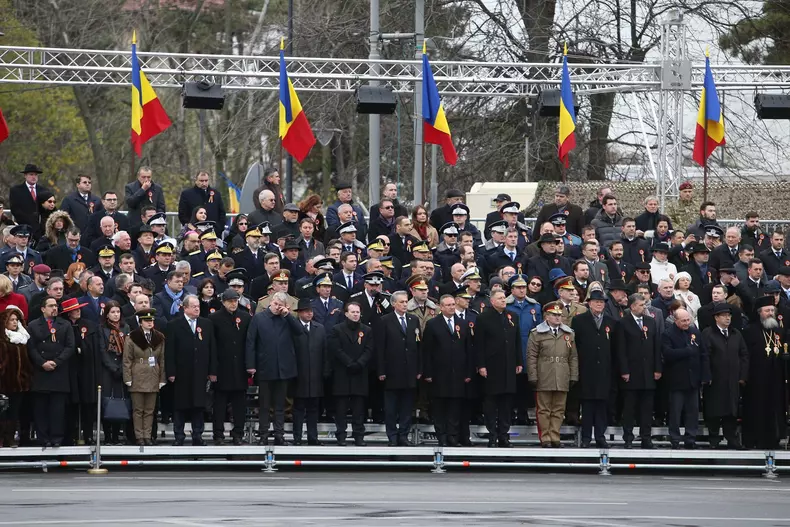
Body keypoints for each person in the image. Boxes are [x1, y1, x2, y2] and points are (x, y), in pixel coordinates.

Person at [246, 291, 304, 445]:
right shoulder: (259, 318)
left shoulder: (287, 319)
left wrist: (288, 315)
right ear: (271, 302)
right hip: (265, 367)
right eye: (275, 304)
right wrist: (251, 365)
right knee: (264, 405)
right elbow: (251, 342)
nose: (277, 307)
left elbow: (300, 332)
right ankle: (263, 435)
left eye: (281, 305)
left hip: (283, 369)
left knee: (280, 405)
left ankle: (279, 435)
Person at [165, 295, 217, 446]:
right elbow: (170, 352)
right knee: (180, 405)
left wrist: (212, 371)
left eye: (198, 306)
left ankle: (197, 435)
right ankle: (179, 436)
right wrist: (171, 372)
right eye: (193, 306)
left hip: (200, 371)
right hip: (182, 372)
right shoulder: (174, 325)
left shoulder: (206, 324)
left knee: (198, 405)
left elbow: (212, 348)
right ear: (185, 308)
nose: (196, 309)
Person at [475, 290, 522, 447]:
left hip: (509, 367)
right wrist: (480, 365)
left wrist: (519, 362)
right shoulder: (483, 318)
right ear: (492, 301)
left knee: (506, 403)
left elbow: (516, 341)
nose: (503, 300)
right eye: (500, 298)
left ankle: (504, 434)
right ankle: (492, 434)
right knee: (491, 403)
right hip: (491, 367)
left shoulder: (512, 316)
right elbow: (479, 344)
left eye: (504, 298)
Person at [527, 301, 577, 448]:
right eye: (554, 315)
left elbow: (573, 356)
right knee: (544, 409)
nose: (558, 318)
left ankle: (555, 436)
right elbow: (531, 356)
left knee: (559, 409)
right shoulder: (537, 333)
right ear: (546, 316)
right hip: (544, 374)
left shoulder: (568, 333)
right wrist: (533, 375)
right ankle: (545, 438)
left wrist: (574, 375)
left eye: (559, 315)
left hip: (562, 374)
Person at [615, 293, 662, 448]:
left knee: (647, 409)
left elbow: (656, 347)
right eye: (641, 305)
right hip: (631, 373)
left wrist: (657, 368)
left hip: (648, 373)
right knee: (629, 408)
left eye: (645, 304)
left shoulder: (651, 321)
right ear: (632, 306)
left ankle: (646, 438)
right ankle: (628, 438)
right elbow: (620, 349)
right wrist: (624, 370)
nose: (644, 307)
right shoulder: (623, 323)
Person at [375, 290, 422, 446]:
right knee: (390, 408)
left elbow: (418, 346)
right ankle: (392, 437)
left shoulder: (413, 320)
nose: (404, 304)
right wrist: (381, 371)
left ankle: (404, 435)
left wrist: (419, 369)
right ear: (394, 303)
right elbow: (380, 348)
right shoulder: (385, 320)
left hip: (409, 371)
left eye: (405, 301)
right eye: (401, 302)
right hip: (392, 371)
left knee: (407, 406)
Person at [28, 295, 75, 447]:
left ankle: (57, 438)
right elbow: (31, 348)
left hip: (58, 371)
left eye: (56, 305)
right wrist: (42, 363)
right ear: (43, 309)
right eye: (51, 306)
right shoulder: (33, 325)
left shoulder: (65, 325)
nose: (54, 308)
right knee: (41, 409)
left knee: (58, 409)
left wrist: (56, 361)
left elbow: (70, 346)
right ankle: (43, 437)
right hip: (41, 372)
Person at [742, 296, 789, 449]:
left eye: (772, 310)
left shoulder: (779, 331)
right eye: (767, 310)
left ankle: (773, 439)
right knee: (757, 408)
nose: (770, 313)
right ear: (759, 312)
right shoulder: (750, 330)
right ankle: (754, 440)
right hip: (756, 378)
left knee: (775, 408)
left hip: (775, 377)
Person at [700, 303, 748, 450]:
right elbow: (704, 356)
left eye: (729, 315)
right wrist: (706, 375)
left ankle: (732, 438)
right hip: (715, 379)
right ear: (716, 317)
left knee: (731, 411)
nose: (727, 318)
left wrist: (743, 376)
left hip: (733, 379)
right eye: (724, 316)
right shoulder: (708, 333)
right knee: (714, 410)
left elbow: (744, 355)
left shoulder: (736, 333)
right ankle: (714, 439)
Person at [662, 308, 710, 449]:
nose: (686, 323)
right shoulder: (668, 334)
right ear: (675, 320)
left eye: (688, 320)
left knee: (693, 411)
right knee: (676, 412)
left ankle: (691, 439)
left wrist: (705, 375)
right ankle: (675, 439)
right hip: (676, 380)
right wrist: (686, 352)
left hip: (693, 379)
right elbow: (667, 353)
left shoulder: (695, 332)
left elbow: (703, 354)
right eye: (683, 321)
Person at [326, 302, 373, 446]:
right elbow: (336, 349)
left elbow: (369, 349)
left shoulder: (367, 330)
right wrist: (349, 363)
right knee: (341, 408)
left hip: (360, 372)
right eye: (352, 312)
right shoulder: (337, 329)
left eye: (358, 312)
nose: (355, 314)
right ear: (346, 313)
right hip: (342, 373)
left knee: (359, 408)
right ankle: (341, 435)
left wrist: (359, 363)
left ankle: (359, 435)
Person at [571, 290, 614, 448]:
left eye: (602, 302)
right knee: (587, 405)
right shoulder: (579, 320)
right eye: (596, 301)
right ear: (589, 303)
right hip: (586, 369)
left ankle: (600, 437)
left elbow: (614, 348)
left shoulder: (610, 322)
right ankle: (586, 437)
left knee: (602, 405)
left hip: (604, 369)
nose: (599, 304)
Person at [208, 289, 251, 446]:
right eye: (230, 301)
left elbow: (249, 343)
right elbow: (211, 346)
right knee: (219, 403)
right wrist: (212, 370)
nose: (233, 304)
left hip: (239, 367)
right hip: (222, 367)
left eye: (235, 300)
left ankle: (238, 433)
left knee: (240, 403)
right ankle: (218, 434)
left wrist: (249, 365)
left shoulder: (245, 317)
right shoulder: (214, 318)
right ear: (223, 302)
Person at [59, 297, 100, 446]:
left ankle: (88, 434)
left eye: (78, 309)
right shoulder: (63, 326)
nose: (78, 311)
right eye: (74, 310)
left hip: (87, 370)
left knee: (88, 404)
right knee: (71, 405)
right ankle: (71, 434)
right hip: (69, 371)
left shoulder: (89, 326)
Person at [122, 308, 165, 446]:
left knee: (150, 410)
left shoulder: (159, 337)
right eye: (147, 321)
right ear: (140, 322)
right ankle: (139, 436)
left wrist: (162, 378)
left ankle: (147, 436)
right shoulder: (132, 337)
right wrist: (127, 377)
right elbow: (127, 359)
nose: (150, 323)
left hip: (153, 374)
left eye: (151, 320)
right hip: (138, 374)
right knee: (138, 409)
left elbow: (162, 359)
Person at [292, 297, 327, 445]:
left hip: (315, 376)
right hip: (299, 376)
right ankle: (297, 438)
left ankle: (313, 437)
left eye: (311, 311)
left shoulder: (320, 328)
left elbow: (324, 352)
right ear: (299, 312)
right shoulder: (293, 329)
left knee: (314, 409)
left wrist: (324, 371)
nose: (309, 314)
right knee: (298, 409)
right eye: (306, 311)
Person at [98, 301, 131, 445]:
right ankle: (108, 436)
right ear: (107, 315)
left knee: (120, 402)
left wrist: (122, 368)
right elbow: (102, 351)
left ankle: (117, 436)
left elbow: (129, 351)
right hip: (107, 371)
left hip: (122, 370)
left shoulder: (126, 327)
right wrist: (112, 367)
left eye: (118, 312)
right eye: (113, 312)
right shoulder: (101, 329)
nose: (116, 315)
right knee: (107, 402)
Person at [0, 307, 33, 447]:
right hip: (3, 383)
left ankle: (10, 438)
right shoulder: (2, 341)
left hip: (19, 384)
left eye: (16, 320)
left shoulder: (22, 340)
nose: (14, 322)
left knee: (14, 412)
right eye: (11, 320)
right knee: (2, 413)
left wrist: (26, 377)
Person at [177, 171, 226, 237]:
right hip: (194, 234)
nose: (204, 183)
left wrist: (218, 229)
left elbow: (222, 213)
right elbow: (182, 214)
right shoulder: (186, 194)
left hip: (213, 233)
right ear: (196, 180)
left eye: (206, 180)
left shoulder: (216, 194)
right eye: (201, 181)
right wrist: (192, 228)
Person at [9, 164, 50, 238]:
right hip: (23, 229)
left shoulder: (44, 191)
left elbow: (48, 209)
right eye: (31, 174)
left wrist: (42, 225)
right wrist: (28, 223)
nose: (34, 177)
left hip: (41, 230)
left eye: (36, 175)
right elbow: (15, 209)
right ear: (25, 175)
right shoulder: (16, 190)